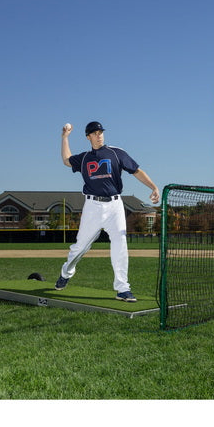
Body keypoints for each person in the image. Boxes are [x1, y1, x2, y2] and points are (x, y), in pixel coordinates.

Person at [55, 121, 160, 302]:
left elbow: (136, 170)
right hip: (92, 207)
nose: (99, 135)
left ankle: (123, 288)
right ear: (88, 137)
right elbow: (66, 160)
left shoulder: (115, 153)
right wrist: (65, 138)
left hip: (115, 205)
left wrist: (153, 187)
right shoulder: (85, 157)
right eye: (95, 133)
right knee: (80, 248)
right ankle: (66, 272)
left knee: (120, 243)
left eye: (100, 132)